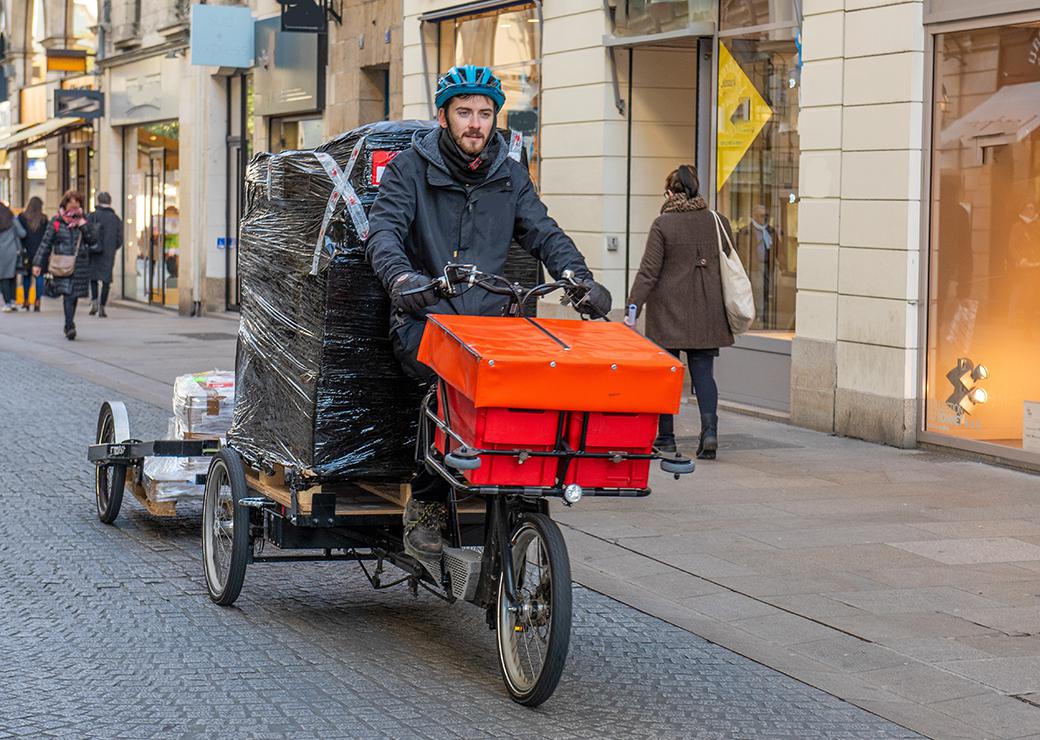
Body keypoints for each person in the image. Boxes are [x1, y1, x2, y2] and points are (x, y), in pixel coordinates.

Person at [367, 64, 611, 560]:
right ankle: (429, 505)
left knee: (533, 382)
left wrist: (579, 278)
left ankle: (520, 494)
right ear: (443, 117)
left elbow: (544, 232)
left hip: (489, 326)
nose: (475, 123)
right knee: (450, 383)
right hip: (425, 318)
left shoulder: (509, 174)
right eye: (464, 113)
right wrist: (401, 278)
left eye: (484, 113)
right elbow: (384, 232)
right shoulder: (408, 170)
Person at [626, 165, 734, 460]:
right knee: (704, 375)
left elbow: (649, 272)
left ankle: (667, 439)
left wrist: (632, 309)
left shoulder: (664, 224)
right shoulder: (718, 221)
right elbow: (726, 262)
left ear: (671, 192)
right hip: (707, 311)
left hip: (668, 313)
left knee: (667, 376)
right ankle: (709, 433)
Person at [33, 190, 98, 340]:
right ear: (65, 204)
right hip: (61, 264)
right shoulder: (56, 221)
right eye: (71, 205)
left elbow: (93, 240)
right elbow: (46, 243)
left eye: (77, 205)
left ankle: (68, 323)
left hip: (79, 265)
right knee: (68, 295)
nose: (74, 208)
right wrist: (38, 263)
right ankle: (69, 325)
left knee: (73, 296)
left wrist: (83, 225)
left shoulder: (85, 220)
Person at [87, 191, 123, 317]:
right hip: (109, 253)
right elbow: (120, 239)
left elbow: (86, 233)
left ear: (98, 201)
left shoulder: (92, 216)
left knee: (93, 278)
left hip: (95, 251)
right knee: (106, 280)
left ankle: (94, 302)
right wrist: (112, 248)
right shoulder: (116, 219)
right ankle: (102, 306)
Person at [17, 196, 48, 311]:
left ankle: (26, 300)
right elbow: (47, 236)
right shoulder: (44, 219)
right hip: (40, 252)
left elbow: (20, 234)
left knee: (26, 277)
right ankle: (37, 300)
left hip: (26, 251)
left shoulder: (22, 217)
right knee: (39, 276)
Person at [0, 202, 27, 312]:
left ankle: (7, 303)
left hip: (1, 252)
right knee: (12, 276)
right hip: (12, 251)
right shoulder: (12, 219)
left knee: (3, 278)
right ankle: (13, 301)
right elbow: (22, 233)